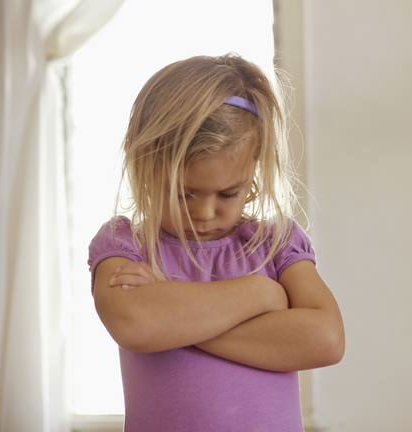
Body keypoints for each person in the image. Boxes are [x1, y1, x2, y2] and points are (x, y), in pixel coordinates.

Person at [87, 53, 344, 431]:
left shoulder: (275, 243)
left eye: (228, 194)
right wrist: (258, 295)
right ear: (143, 163)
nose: (206, 212)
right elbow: (135, 325)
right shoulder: (124, 244)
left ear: (254, 169)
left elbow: (326, 340)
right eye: (184, 194)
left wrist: (174, 315)